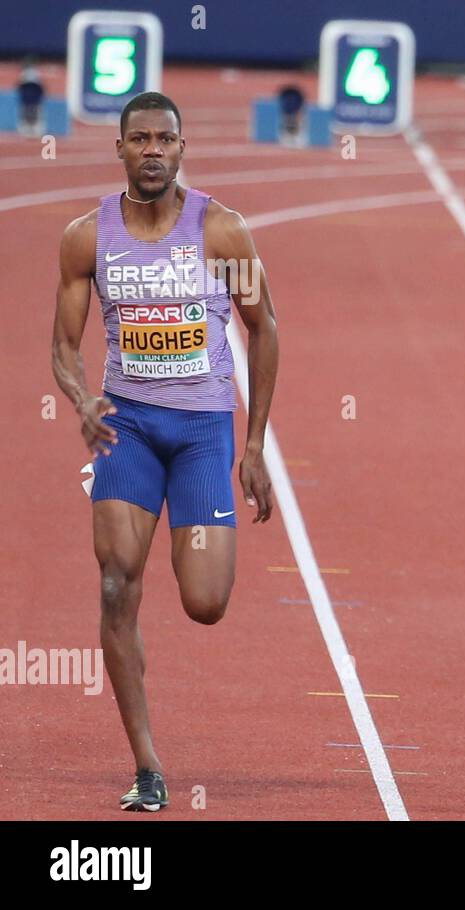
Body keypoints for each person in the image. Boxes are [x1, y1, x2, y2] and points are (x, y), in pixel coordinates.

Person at [52, 91, 279, 810]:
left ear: (183, 149)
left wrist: (255, 445)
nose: (153, 150)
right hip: (128, 427)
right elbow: (61, 344)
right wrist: (82, 396)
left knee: (206, 602)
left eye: (166, 139)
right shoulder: (86, 238)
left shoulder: (223, 232)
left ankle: (144, 674)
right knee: (118, 584)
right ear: (119, 149)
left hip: (204, 428)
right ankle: (147, 763)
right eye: (140, 139)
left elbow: (264, 328)